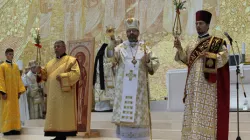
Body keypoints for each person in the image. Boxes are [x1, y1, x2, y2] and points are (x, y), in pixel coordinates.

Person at [174, 10, 230, 140]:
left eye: (201, 23)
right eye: (196, 23)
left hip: (208, 87)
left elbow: (225, 57)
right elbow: (185, 60)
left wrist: (211, 56)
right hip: (193, 86)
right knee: (193, 113)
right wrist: (179, 48)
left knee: (206, 116)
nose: (198, 26)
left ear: (207, 25)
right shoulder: (192, 44)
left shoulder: (216, 42)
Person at [111, 18, 160, 140]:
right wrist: (112, 45)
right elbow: (110, 60)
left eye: (134, 30)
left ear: (138, 32)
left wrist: (148, 60)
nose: (131, 33)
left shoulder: (145, 48)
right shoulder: (119, 48)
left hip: (139, 92)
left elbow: (155, 62)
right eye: (129, 31)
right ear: (126, 33)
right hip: (124, 90)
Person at [36, 40, 80, 140]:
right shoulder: (50, 63)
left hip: (65, 94)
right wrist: (40, 72)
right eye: (55, 46)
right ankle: (57, 135)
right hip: (53, 94)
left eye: (58, 46)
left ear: (64, 48)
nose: (56, 48)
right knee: (55, 114)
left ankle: (62, 135)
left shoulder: (71, 60)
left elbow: (76, 74)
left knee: (62, 114)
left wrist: (64, 76)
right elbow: (45, 76)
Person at [93, 25, 122, 112]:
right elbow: (100, 65)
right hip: (106, 75)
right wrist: (110, 65)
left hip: (112, 73)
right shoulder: (103, 50)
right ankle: (105, 106)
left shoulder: (113, 49)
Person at [0, 48, 26, 135]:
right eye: (10, 54)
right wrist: (3, 92)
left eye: (12, 54)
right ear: (6, 55)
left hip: (14, 94)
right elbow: (1, 80)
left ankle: (15, 128)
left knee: (15, 111)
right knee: (7, 111)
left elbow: (18, 79)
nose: (11, 56)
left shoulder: (15, 67)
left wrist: (19, 91)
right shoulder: (2, 66)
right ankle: (7, 129)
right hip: (7, 93)